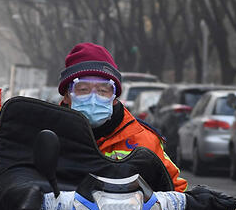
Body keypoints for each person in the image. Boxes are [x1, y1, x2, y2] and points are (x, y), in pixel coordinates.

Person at [57, 42, 187, 192]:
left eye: (103, 90)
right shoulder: (47, 133)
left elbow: (177, 190)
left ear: (115, 97)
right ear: (67, 95)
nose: (93, 99)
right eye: (83, 89)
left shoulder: (143, 139)